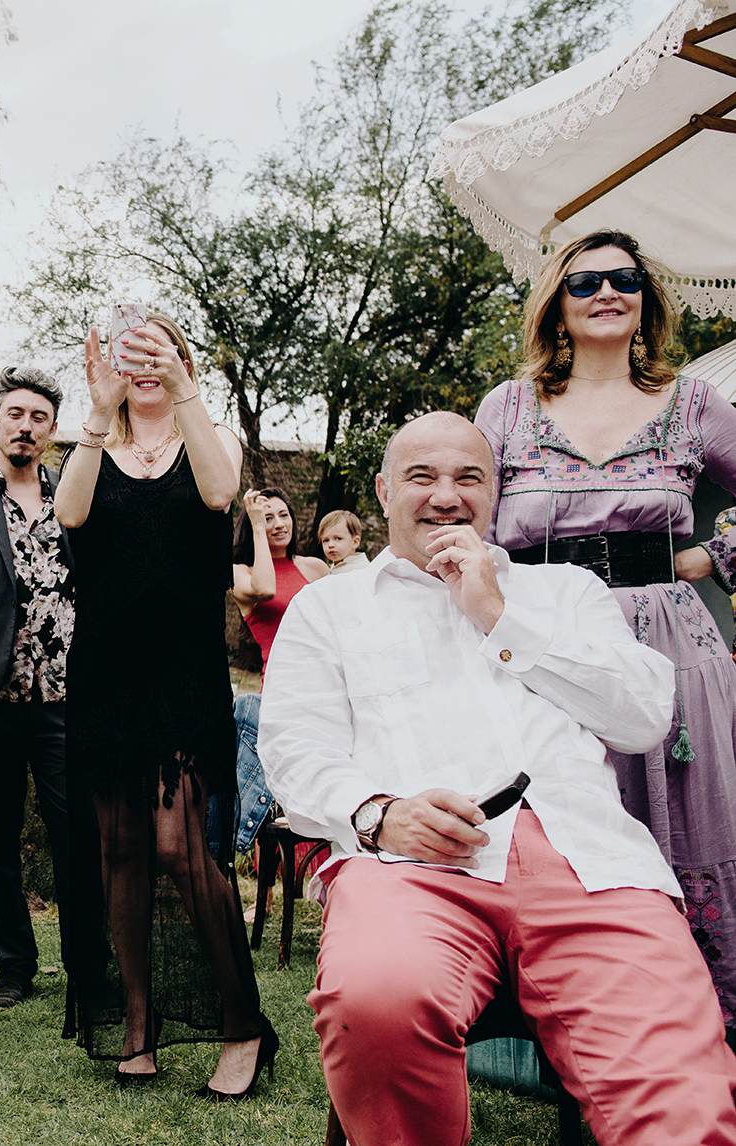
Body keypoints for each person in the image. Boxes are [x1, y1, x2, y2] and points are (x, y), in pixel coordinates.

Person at [259, 411, 736, 1146]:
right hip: (408, 865)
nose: (445, 496)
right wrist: (377, 813)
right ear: (384, 492)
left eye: (467, 478)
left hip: (586, 862)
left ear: (495, 495)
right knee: (378, 999)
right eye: (422, 477)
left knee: (678, 1090)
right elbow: (294, 747)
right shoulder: (329, 608)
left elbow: (641, 715)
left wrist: (495, 615)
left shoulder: (566, 592)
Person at [474, 228, 736, 1037]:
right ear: (555, 302)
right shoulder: (506, 407)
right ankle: (577, 1035)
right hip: (544, 644)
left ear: (646, 301)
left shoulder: (693, 403)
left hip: (668, 642)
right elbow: (470, 524)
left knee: (693, 827)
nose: (605, 293)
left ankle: (707, 1033)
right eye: (583, 282)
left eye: (623, 279)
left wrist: (713, 551)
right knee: (564, 825)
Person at [55, 311, 273, 1096]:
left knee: (182, 847)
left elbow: (218, 494)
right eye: (128, 354)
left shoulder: (212, 439)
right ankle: (138, 1023)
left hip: (183, 670)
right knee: (120, 852)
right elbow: (70, 515)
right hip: (106, 670)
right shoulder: (91, 447)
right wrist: (93, 414)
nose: (142, 365)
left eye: (159, 351)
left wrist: (183, 393)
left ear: (181, 360)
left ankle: (241, 1021)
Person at [0, 365, 106, 1010]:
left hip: (66, 699)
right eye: (16, 414)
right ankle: (14, 965)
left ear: (51, 430)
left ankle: (87, 967)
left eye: (39, 418)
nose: (26, 426)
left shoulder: (72, 496)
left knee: (78, 835)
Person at [232, 488, 329, 674]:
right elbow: (265, 590)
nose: (279, 524)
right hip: (282, 686)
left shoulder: (316, 568)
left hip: (327, 682)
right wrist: (258, 526)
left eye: (284, 515)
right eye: (268, 518)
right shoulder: (239, 573)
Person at [316, 510, 369, 574]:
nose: (330, 545)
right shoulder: (336, 567)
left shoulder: (359, 570)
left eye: (338, 538)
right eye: (326, 540)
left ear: (355, 542)